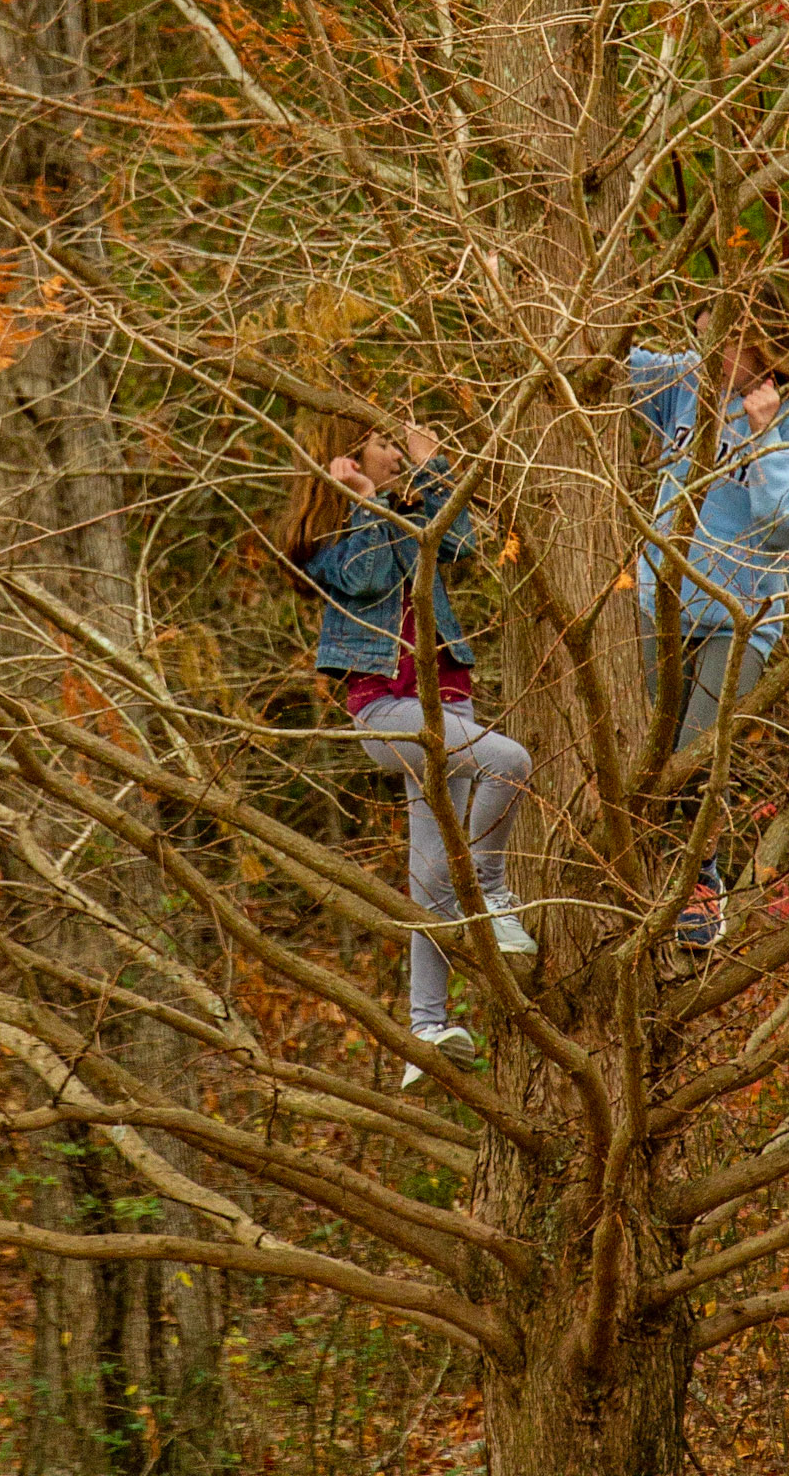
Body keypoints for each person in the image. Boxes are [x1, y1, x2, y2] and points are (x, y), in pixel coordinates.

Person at [282, 416, 536, 1090]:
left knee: (428, 874)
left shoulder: (410, 508)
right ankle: (489, 891)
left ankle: (425, 1027)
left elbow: (460, 543)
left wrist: (431, 471)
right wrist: (369, 501)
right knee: (509, 762)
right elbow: (365, 576)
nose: (395, 452)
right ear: (347, 454)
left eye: (398, 444)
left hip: (450, 701)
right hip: (387, 710)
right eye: (384, 443)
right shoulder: (325, 536)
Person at [630, 301, 789, 950]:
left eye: (725, 339)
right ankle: (647, 879)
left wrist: (763, 434)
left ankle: (697, 883)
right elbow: (606, 361)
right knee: (645, 755)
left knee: (698, 757)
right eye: (704, 335)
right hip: (660, 603)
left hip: (740, 620)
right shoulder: (682, 387)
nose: (709, 349)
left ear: (763, 348)